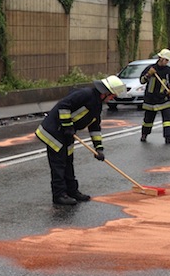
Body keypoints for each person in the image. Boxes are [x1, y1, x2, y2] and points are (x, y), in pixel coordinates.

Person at [35, 75, 126, 205]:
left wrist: (98, 148)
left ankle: (72, 191)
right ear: (105, 93)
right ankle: (59, 195)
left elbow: (94, 127)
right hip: (54, 130)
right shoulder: (85, 94)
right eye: (112, 95)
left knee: (68, 162)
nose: (113, 98)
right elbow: (64, 106)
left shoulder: (97, 105)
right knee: (59, 164)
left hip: (67, 133)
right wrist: (67, 126)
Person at [139, 48, 170, 144]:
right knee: (148, 120)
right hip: (150, 99)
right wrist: (148, 75)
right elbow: (142, 81)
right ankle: (144, 134)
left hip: (164, 98)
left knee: (168, 119)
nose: (166, 62)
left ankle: (169, 136)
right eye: (165, 60)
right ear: (160, 58)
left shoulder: (168, 70)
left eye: (168, 60)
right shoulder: (151, 68)